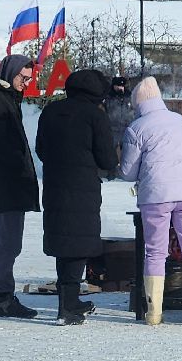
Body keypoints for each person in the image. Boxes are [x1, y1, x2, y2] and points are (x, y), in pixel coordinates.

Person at [118, 76, 182, 327]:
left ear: (138, 103)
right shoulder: (180, 121)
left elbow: (128, 172)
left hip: (156, 196)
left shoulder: (137, 128)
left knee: (155, 252)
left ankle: (154, 313)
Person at [35, 68, 118, 325]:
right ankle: (68, 306)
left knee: (64, 242)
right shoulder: (95, 116)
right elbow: (106, 158)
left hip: (55, 185)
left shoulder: (50, 111)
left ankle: (68, 301)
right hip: (83, 188)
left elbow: (40, 149)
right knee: (79, 242)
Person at [0, 55, 40, 319]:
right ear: (10, 72)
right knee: (9, 241)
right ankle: (2, 296)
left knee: (5, 239)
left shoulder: (5, 98)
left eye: (28, 79)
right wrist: (19, 166)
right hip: (7, 181)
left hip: (10, 180)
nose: (26, 83)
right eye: (22, 78)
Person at [104, 75, 134, 157]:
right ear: (113, 86)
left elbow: (133, 110)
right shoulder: (108, 97)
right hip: (112, 129)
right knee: (110, 153)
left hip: (126, 128)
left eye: (122, 86)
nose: (121, 88)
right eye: (118, 86)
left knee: (127, 153)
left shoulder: (129, 96)